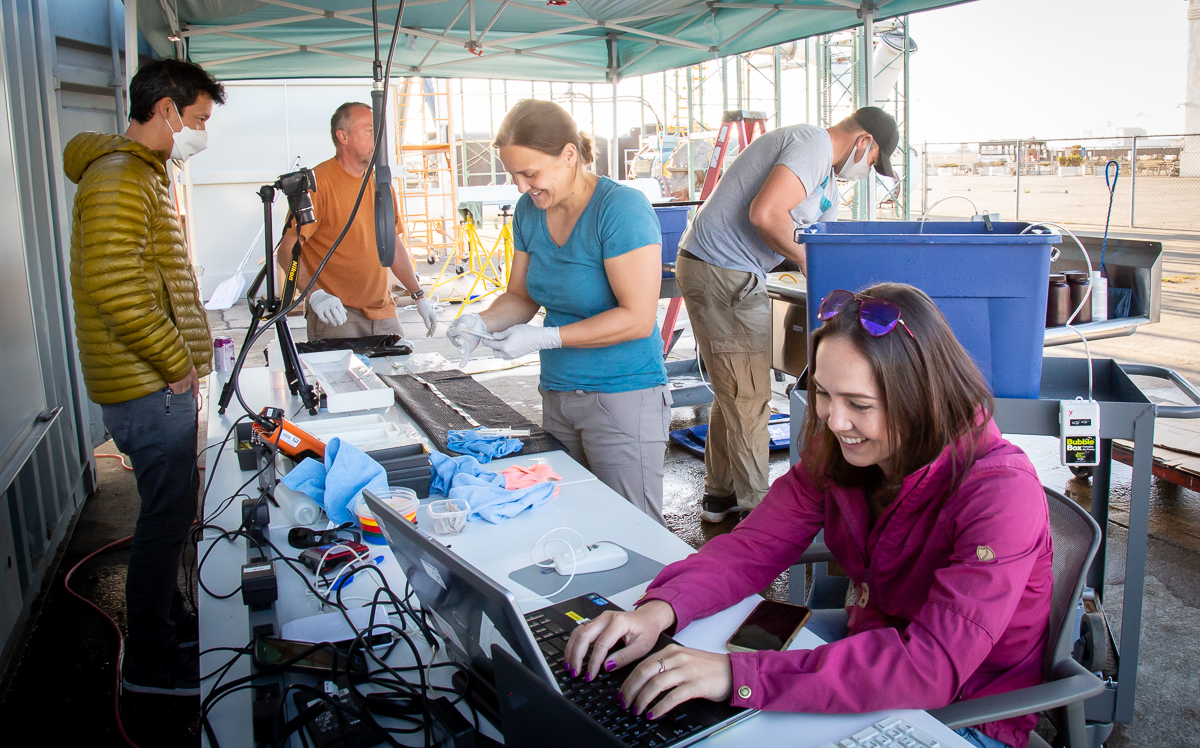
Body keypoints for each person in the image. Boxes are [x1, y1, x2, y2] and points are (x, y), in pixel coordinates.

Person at [564, 283, 1053, 748]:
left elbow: (931, 668)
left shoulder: (1001, 495)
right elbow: (751, 547)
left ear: (922, 397)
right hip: (868, 650)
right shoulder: (846, 450)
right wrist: (659, 609)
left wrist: (737, 675)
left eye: (859, 404)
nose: (834, 422)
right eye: (823, 393)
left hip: (964, 713)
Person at [64, 58, 224, 695]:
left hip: (152, 383)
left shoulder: (142, 174)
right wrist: (176, 364)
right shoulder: (119, 178)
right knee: (164, 520)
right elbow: (116, 286)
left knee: (172, 512)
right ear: (166, 111)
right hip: (148, 386)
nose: (202, 134)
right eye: (199, 120)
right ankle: (150, 665)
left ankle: (169, 618)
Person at [446, 99, 672, 523]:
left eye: (530, 173)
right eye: (513, 174)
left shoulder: (620, 209)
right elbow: (521, 296)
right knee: (572, 520)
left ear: (569, 155)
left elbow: (638, 317)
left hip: (621, 397)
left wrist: (548, 337)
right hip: (558, 395)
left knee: (632, 526)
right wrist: (481, 321)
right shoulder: (530, 212)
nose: (520, 186)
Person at [675, 107, 899, 524]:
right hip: (723, 269)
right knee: (749, 396)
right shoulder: (812, 142)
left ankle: (719, 496)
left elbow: (823, 242)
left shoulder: (827, 178)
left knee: (736, 388)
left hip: (730, 269)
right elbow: (766, 214)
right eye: (872, 161)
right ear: (864, 141)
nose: (867, 170)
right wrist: (802, 260)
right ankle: (759, 512)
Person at [276, 102, 437, 340]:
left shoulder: (381, 185)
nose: (378, 137)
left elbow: (392, 245)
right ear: (343, 136)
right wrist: (314, 294)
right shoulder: (317, 185)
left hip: (384, 313)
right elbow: (286, 251)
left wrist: (419, 295)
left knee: (399, 375)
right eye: (369, 130)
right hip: (337, 316)